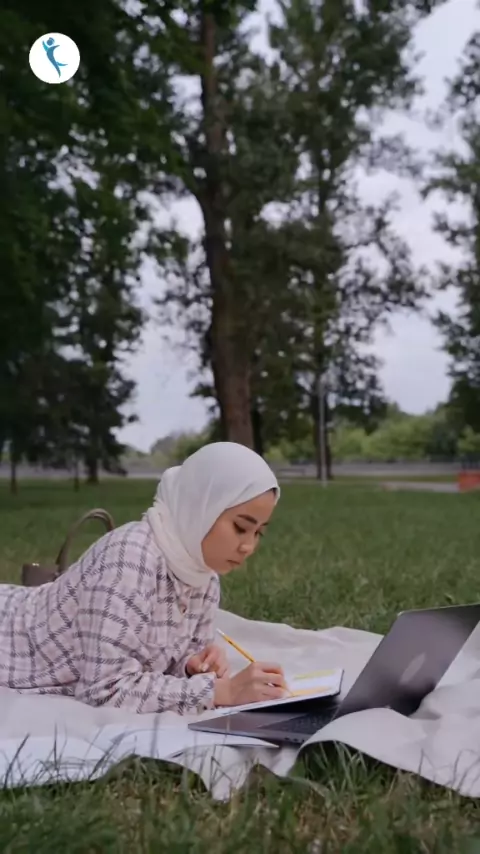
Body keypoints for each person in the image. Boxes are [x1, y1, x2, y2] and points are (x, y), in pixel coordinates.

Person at [0, 442, 287, 714]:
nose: (249, 546)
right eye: (240, 527)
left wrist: (191, 665)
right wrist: (218, 692)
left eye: (259, 532)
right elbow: (103, 689)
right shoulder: (129, 559)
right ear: (200, 506)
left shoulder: (204, 577)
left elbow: (160, 662)